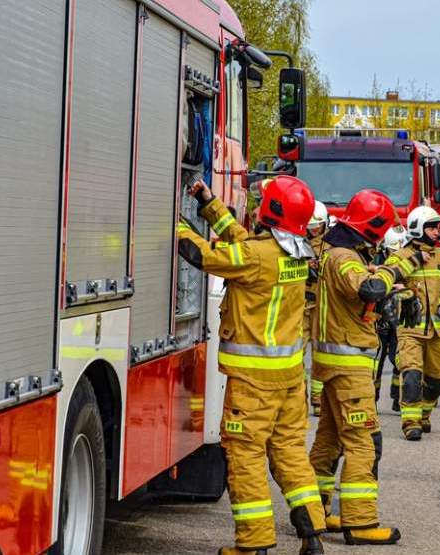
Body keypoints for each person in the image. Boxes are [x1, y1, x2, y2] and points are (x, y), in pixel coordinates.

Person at [177, 178, 325, 555]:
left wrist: (174, 224)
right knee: (290, 451)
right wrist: (209, 204)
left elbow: (207, 256)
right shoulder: (295, 253)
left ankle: (254, 544)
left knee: (245, 457)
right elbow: (244, 241)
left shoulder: (258, 258)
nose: (257, 206)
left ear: (273, 212)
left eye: (263, 202)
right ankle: (312, 536)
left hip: (253, 384)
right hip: (290, 381)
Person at [308, 189, 427, 545]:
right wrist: (395, 268)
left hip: (333, 362)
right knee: (364, 442)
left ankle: (314, 512)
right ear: (372, 228)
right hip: (349, 365)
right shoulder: (345, 256)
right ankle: (359, 522)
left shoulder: (336, 252)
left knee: (328, 440)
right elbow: (370, 289)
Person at [387, 206, 440, 441]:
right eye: (431, 227)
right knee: (412, 375)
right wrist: (414, 262)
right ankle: (410, 422)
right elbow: (388, 278)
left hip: (437, 331)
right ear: (417, 228)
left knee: (437, 379)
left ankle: (424, 413)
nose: (437, 231)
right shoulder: (400, 256)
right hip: (409, 330)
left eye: (437, 227)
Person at [376, 227, 406, 411]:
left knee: (400, 360)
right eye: (392, 251)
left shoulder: (409, 264)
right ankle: (372, 399)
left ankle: (398, 398)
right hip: (379, 320)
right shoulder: (376, 263)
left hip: (399, 321)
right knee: (376, 363)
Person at [306, 201, 330, 417]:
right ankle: (295, 399)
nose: (313, 230)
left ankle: (318, 399)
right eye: (310, 226)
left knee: (320, 352)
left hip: (321, 306)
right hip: (300, 305)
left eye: (317, 226)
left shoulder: (330, 246)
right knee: (293, 353)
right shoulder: (295, 242)